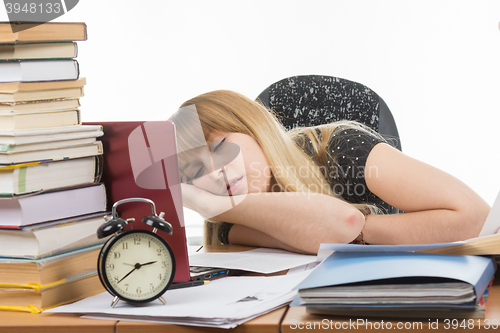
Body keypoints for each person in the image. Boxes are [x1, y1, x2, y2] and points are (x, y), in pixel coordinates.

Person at [170, 90, 490, 254]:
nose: (214, 173)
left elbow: (476, 218)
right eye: (195, 170)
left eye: (220, 146)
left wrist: (365, 229)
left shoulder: (337, 146)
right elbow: (338, 227)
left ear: (254, 127)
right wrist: (214, 207)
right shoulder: (228, 222)